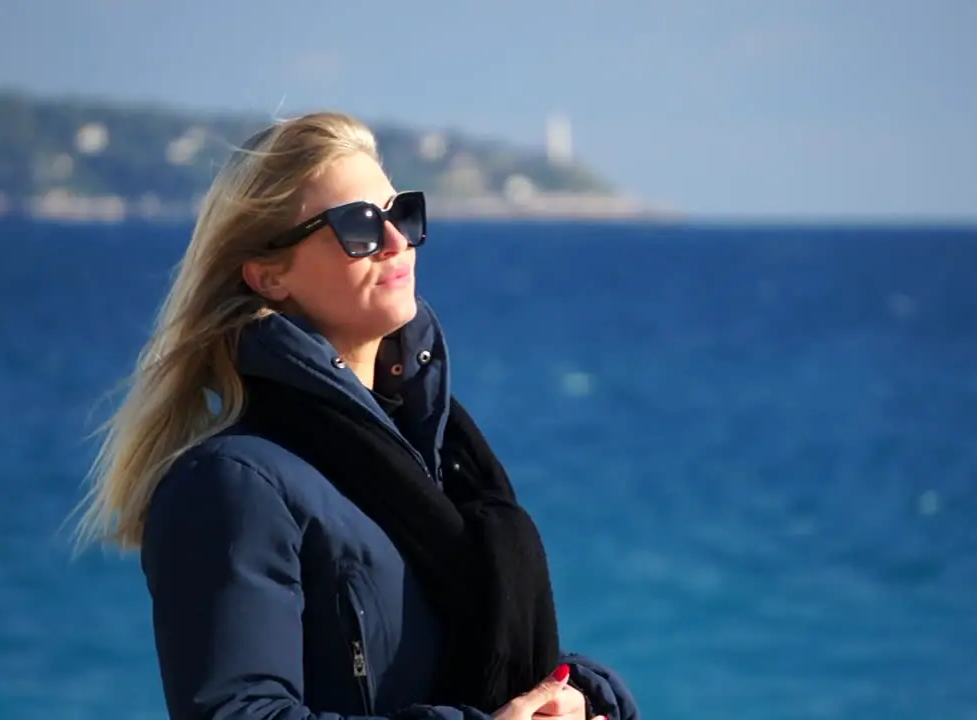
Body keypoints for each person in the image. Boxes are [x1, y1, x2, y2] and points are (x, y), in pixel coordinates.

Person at [75, 111, 640, 720]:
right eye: (359, 226)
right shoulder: (233, 484)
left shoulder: (446, 456)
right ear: (269, 274)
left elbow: (468, 659)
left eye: (400, 213)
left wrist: (578, 695)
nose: (396, 241)